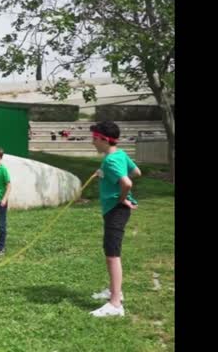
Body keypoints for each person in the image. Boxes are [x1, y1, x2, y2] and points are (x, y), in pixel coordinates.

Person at [89, 121, 141, 317]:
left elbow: (127, 182)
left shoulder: (111, 160)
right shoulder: (119, 155)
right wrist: (105, 175)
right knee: (111, 251)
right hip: (116, 209)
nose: (93, 142)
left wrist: (121, 199)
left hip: (115, 210)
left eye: (95, 139)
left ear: (104, 139)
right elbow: (136, 172)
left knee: (112, 254)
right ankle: (114, 291)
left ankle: (115, 303)